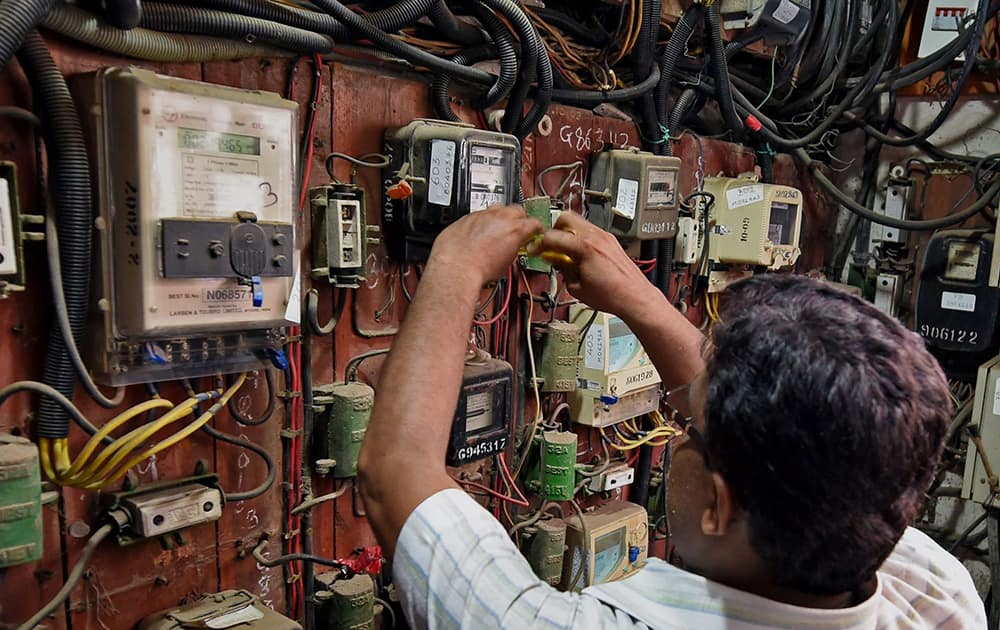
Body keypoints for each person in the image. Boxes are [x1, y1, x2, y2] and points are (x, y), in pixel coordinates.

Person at [357, 205, 985, 629]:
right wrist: (640, 300)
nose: (678, 417)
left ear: (718, 504)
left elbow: (397, 474)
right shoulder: (934, 593)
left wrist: (454, 269)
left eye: (689, 429)